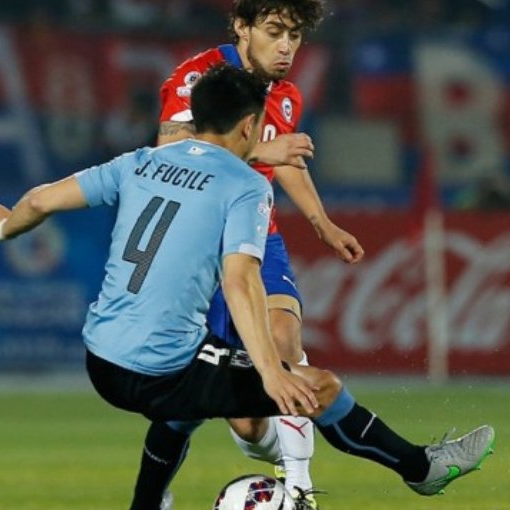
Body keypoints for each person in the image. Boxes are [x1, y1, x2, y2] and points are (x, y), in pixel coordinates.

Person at [0, 64, 495, 510]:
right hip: (160, 367)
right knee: (319, 387)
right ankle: (420, 468)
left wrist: (2, 227)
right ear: (250, 124)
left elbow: (41, 201)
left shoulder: (141, 161)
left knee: (186, 403)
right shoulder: (244, 185)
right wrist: (272, 373)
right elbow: (241, 277)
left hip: (102, 360)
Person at [155, 1, 364, 506]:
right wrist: (259, 151)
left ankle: (300, 488)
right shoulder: (196, 77)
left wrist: (321, 222)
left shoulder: (285, 95)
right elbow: (166, 150)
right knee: (239, 417)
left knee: (283, 339)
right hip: (197, 245)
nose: (287, 46)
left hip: (257, 236)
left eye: (294, 34)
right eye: (274, 31)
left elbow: (285, 159)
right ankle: (157, 494)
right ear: (242, 28)